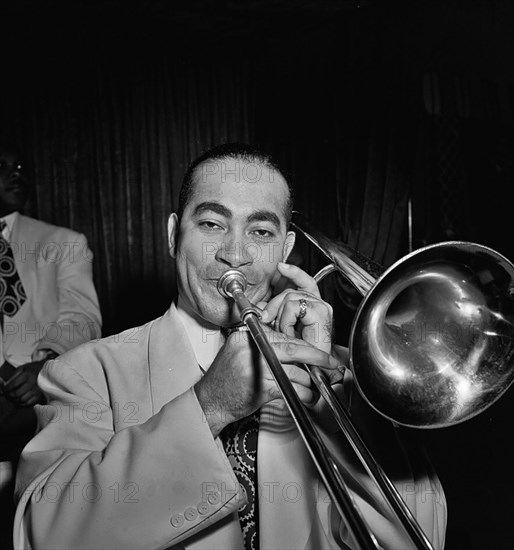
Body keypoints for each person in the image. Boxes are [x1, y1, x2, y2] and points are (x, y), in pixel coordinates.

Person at [12, 143, 447, 549]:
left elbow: (420, 532)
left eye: (260, 231)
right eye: (211, 224)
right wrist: (209, 406)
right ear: (172, 235)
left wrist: (338, 407)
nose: (234, 254)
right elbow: (41, 533)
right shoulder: (87, 371)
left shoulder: (344, 378)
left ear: (286, 250)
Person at [0, 142, 102, 549]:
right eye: (3, 165)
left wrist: (43, 368)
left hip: (38, 397)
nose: (17, 172)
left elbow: (82, 317)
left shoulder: (63, 241)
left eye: (21, 165)